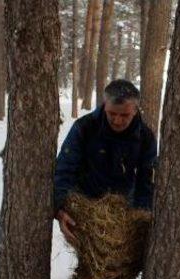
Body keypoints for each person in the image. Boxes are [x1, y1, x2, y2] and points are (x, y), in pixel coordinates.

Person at [54, 79, 157, 242]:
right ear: (104, 104)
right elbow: (64, 170)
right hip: (86, 212)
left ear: (136, 110)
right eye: (112, 113)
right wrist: (61, 208)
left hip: (125, 214)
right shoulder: (85, 127)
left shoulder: (145, 137)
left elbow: (147, 182)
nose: (117, 121)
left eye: (124, 115)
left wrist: (142, 218)